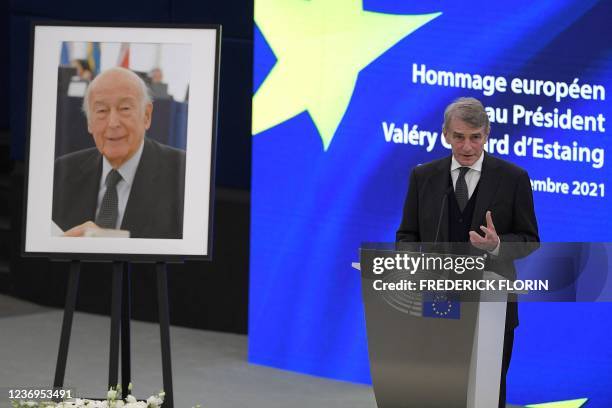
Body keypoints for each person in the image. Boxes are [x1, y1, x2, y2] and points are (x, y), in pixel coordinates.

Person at [396, 97, 539, 407]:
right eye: (459, 136)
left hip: (491, 306)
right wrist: (416, 262)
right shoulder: (424, 177)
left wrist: (497, 245)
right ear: (446, 134)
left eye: (475, 137)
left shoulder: (513, 178)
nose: (467, 146)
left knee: (486, 396)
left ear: (486, 134)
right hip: (438, 303)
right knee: (438, 394)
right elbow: (406, 235)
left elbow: (530, 239)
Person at [52, 67, 185, 239]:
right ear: (89, 122)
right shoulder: (62, 171)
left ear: (146, 115)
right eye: (101, 111)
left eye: (124, 109)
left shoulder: (183, 175)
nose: (113, 123)